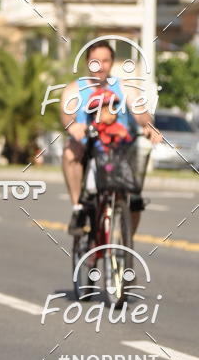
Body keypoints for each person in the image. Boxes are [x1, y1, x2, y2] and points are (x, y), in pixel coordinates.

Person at [60, 39, 161, 236]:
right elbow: (66, 114)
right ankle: (77, 209)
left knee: (135, 200)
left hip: (121, 151)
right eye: (95, 61)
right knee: (69, 153)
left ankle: (125, 247)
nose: (100, 66)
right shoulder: (74, 89)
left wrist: (149, 127)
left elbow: (140, 112)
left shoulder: (124, 88)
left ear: (112, 62)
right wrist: (73, 127)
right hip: (89, 151)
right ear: (87, 62)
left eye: (105, 61)